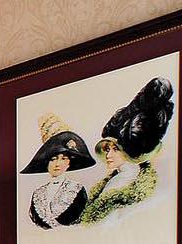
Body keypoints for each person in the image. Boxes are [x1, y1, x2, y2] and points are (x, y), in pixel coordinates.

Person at [81, 77, 174, 223]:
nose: (108, 155)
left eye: (115, 149)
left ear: (129, 151)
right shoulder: (127, 178)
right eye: (107, 148)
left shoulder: (122, 183)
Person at [23, 112, 95, 229]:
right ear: (46, 163)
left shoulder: (77, 189)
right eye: (53, 159)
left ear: (68, 163)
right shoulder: (37, 194)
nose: (57, 164)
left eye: (63, 158)